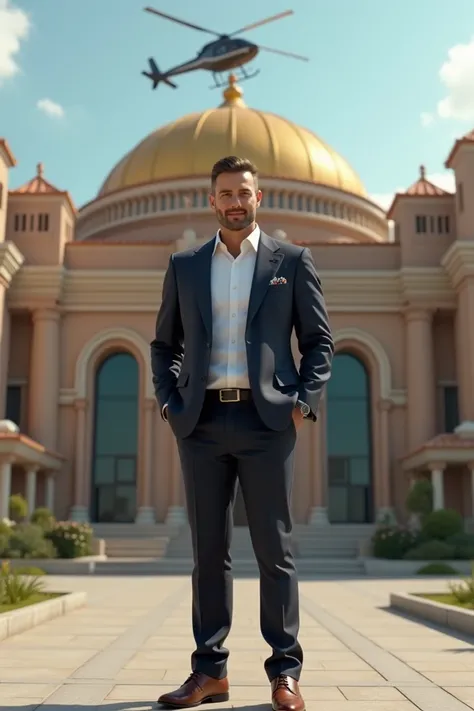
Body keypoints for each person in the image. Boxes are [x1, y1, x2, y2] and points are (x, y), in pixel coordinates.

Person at [150, 155, 334, 710]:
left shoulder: (292, 262)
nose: (235, 202)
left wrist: (302, 400)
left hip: (266, 421)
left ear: (259, 197)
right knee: (209, 552)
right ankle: (210, 673)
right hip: (201, 421)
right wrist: (168, 402)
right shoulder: (185, 265)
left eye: (244, 193)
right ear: (212, 200)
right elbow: (164, 345)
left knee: (274, 550)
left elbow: (320, 342)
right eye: (225, 193)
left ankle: (285, 673)